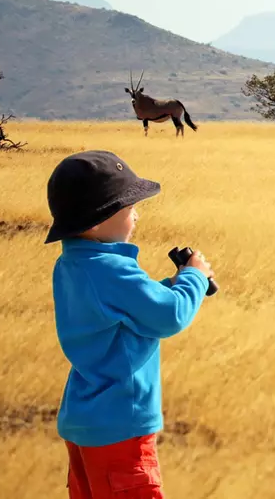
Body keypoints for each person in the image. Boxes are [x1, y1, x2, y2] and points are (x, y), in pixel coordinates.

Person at [46, 150, 214, 499]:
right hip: (121, 427)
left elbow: (130, 311)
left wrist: (172, 285)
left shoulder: (74, 265)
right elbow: (169, 316)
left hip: (85, 424)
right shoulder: (112, 269)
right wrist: (195, 278)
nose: (135, 216)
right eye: (128, 208)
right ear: (96, 221)